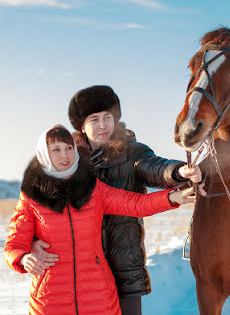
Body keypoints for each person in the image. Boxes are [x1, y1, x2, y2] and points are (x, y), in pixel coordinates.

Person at [31, 86, 206, 315]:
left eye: (108, 118)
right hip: (82, 273)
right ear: (82, 126)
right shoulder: (67, 161)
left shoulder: (132, 152)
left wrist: (178, 171)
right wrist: (34, 242)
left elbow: (154, 168)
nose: (103, 125)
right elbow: (42, 211)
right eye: (95, 119)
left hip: (124, 267)